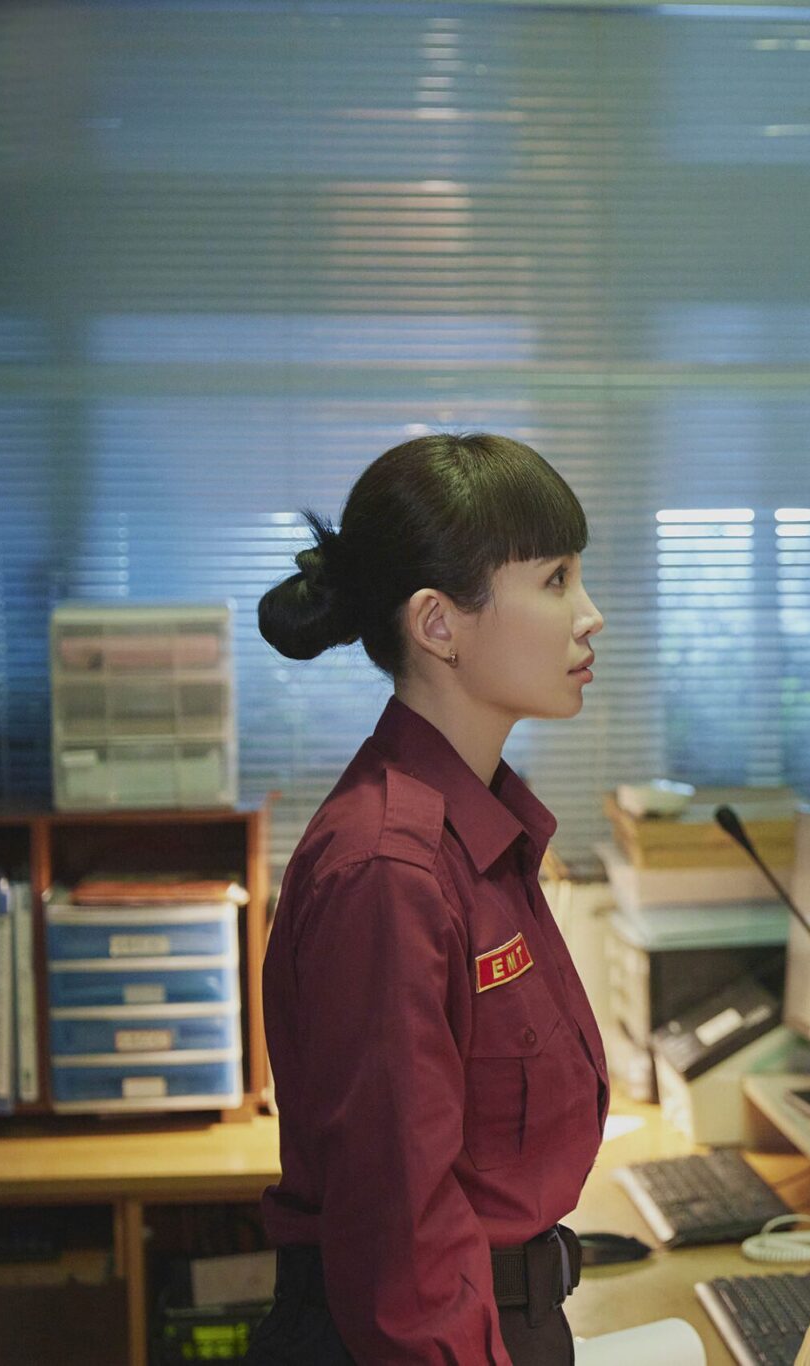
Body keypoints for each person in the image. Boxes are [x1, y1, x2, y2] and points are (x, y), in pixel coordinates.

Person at [248, 433, 609, 1364]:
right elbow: (402, 1255)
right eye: (556, 580)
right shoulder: (389, 872)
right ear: (439, 625)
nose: (591, 616)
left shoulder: (478, 829)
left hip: (504, 1318)